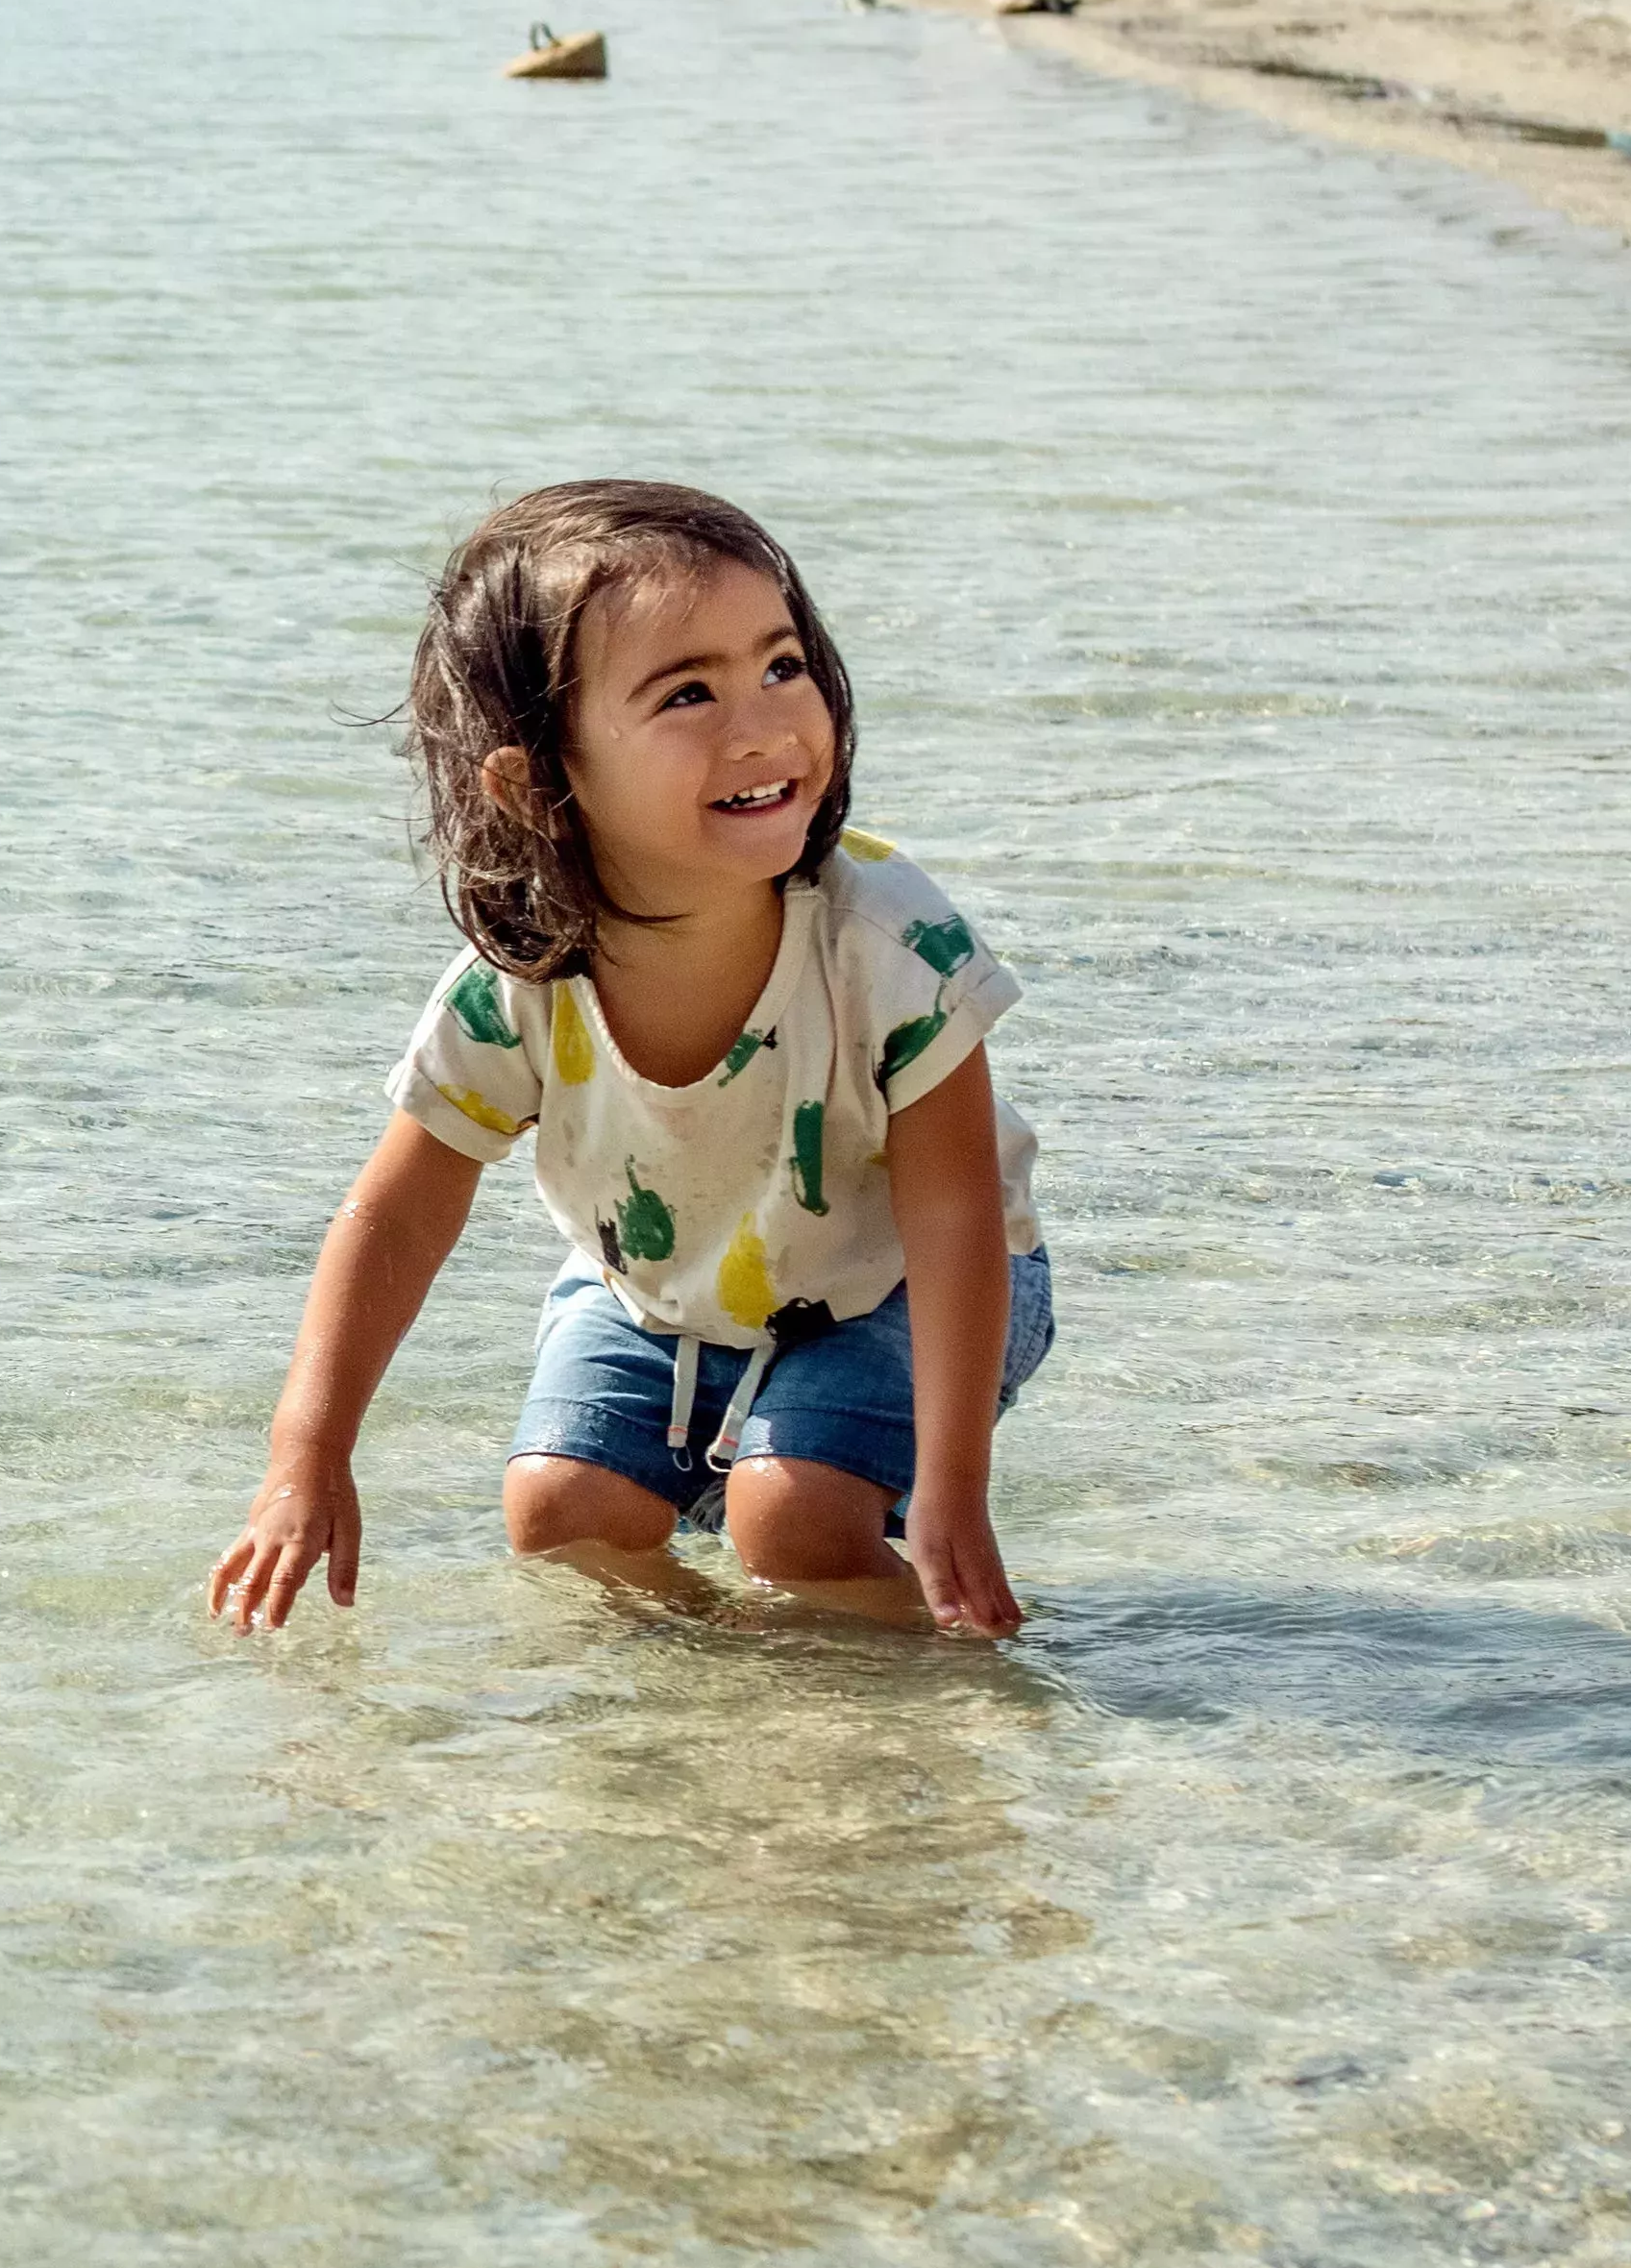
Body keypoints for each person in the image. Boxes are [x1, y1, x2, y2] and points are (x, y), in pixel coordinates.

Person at [205, 483, 1050, 1639]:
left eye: (781, 665)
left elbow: (953, 1207)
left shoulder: (885, 942)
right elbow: (394, 1215)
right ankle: (703, 1724)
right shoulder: (520, 981)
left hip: (909, 1282)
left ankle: (944, 1697)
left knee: (791, 1521)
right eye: (686, 693)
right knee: (561, 1514)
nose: (760, 724)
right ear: (534, 781)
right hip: (659, 1291)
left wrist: (951, 1487)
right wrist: (307, 1454)